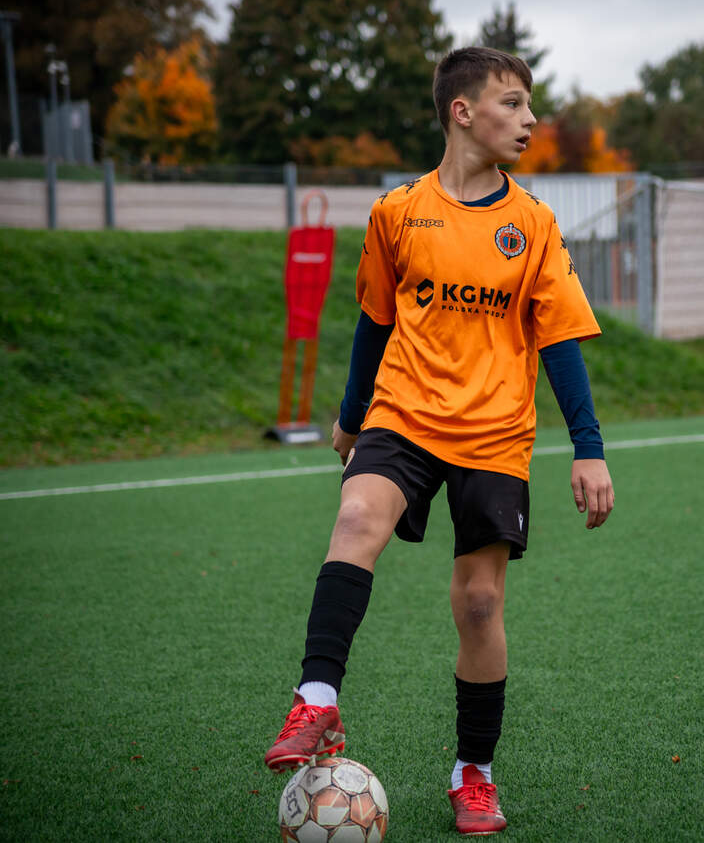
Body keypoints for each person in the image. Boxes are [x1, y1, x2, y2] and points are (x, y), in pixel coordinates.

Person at [262, 47, 615, 837]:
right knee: (357, 517)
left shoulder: (533, 223)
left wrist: (587, 445)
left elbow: (559, 339)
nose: (529, 120)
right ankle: (315, 700)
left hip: (494, 431)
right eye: (513, 103)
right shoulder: (397, 212)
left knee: (480, 603)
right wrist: (352, 417)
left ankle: (473, 772)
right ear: (463, 111)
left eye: (529, 106)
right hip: (405, 413)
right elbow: (374, 321)